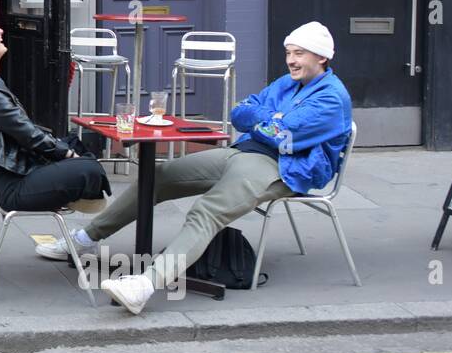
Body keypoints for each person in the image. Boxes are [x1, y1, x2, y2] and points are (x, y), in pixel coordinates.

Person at [49, 21, 353, 315]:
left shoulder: (332, 98)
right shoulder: (288, 83)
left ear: (322, 57)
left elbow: (285, 138)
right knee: (159, 176)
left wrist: (266, 120)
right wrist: (269, 119)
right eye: (288, 53)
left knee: (206, 211)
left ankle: (144, 286)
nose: (291, 61)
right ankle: (84, 239)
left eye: (299, 53)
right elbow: (240, 113)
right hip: (244, 151)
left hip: (283, 167)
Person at [0, 14, 110, 216]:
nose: (0, 31)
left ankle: (77, 202)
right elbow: (30, 135)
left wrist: (68, 151)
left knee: (74, 144)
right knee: (90, 169)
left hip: (15, 174)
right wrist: (68, 155)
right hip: (13, 186)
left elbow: (27, 134)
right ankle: (79, 208)